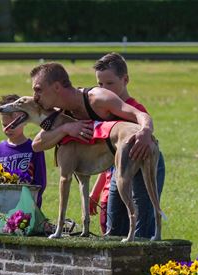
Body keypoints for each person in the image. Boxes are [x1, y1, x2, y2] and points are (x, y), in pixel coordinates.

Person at [30, 62, 160, 237]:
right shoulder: (62, 113)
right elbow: (37, 144)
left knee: (142, 231)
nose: (35, 96)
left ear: (56, 87)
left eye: (38, 89)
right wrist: (66, 129)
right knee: (113, 229)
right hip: (115, 164)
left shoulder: (97, 98)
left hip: (142, 151)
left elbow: (140, 115)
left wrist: (145, 130)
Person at [90, 53, 165, 238]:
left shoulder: (133, 109)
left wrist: (145, 131)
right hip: (118, 169)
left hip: (143, 161)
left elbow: (145, 137)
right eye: (100, 85)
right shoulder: (103, 111)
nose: (104, 89)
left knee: (142, 226)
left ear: (125, 80)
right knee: (114, 228)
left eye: (110, 84)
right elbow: (107, 154)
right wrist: (97, 189)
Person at [0, 94, 46, 208]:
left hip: (27, 210)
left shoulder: (35, 148)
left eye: (13, 125)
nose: (7, 129)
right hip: (2, 209)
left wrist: (31, 205)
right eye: (4, 125)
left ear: (24, 121)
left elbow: (40, 183)